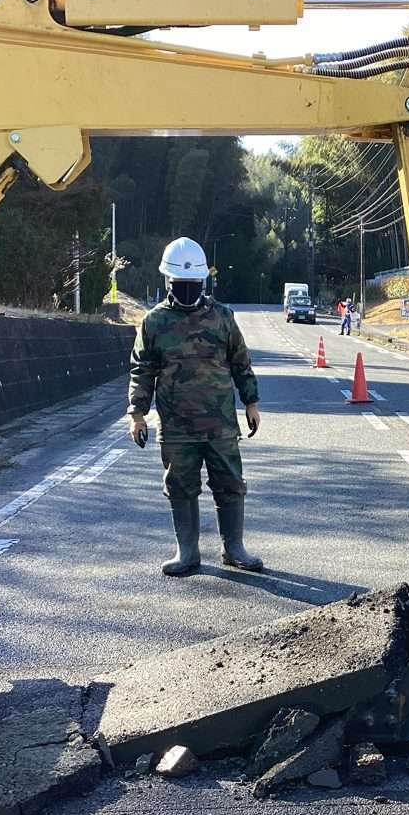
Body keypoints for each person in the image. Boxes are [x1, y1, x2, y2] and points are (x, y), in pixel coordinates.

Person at [128, 237, 263, 576]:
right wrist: (137, 414)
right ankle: (187, 552)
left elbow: (241, 362)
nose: (186, 289)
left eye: (191, 283)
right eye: (179, 283)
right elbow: (142, 370)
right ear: (168, 281)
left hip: (220, 424)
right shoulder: (154, 322)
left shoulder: (223, 317)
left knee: (230, 484)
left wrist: (251, 402)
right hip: (176, 426)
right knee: (180, 486)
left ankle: (234, 548)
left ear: (203, 281)